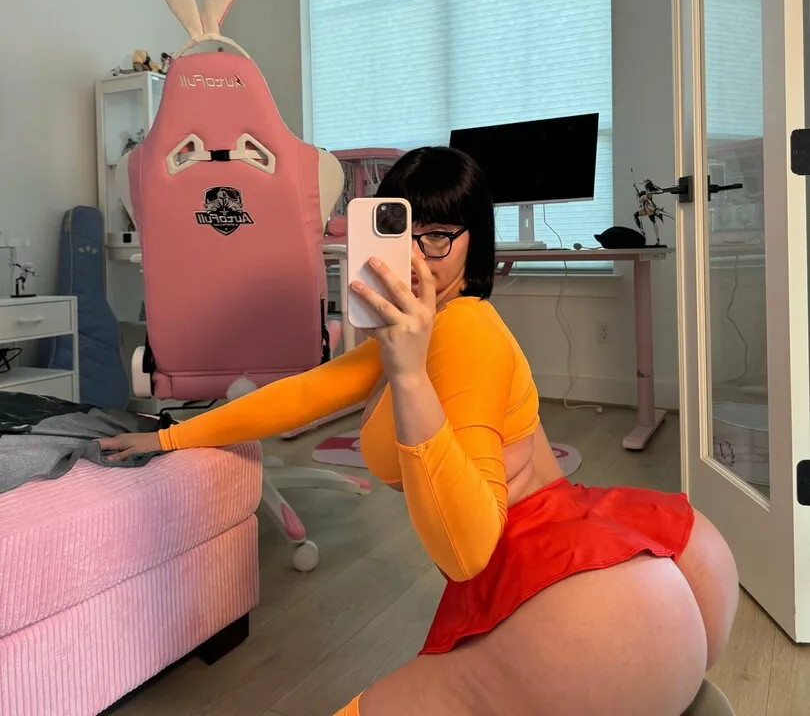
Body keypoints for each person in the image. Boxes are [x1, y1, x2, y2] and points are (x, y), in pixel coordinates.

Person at [99, 146, 739, 716]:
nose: (412, 258)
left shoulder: (463, 330)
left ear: (473, 242)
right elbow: (307, 393)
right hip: (625, 591)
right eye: (399, 234)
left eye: (436, 237)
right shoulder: (426, 327)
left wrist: (407, 375)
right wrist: (170, 437)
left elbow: (469, 552)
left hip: (577, 601)